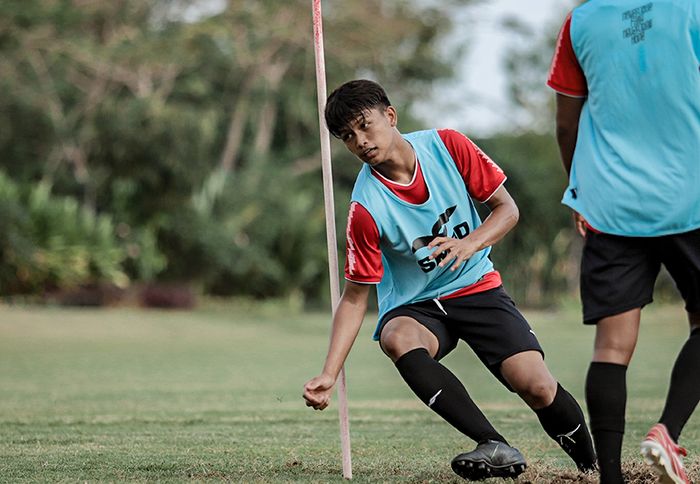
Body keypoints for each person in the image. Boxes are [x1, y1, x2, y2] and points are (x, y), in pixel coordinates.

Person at [302, 79, 596, 481]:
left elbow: (506, 210)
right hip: (416, 305)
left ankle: (592, 469)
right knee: (397, 337)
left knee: (537, 386)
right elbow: (355, 298)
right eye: (347, 136)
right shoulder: (365, 207)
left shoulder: (448, 145)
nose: (360, 141)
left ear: (390, 116)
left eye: (364, 125)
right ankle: (493, 444)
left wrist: (469, 244)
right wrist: (329, 373)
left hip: (475, 286)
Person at [548, 1, 700, 483]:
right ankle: (666, 433)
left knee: (611, 347)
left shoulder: (581, 20)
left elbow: (567, 123)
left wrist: (580, 187)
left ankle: (610, 477)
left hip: (611, 203)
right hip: (690, 196)